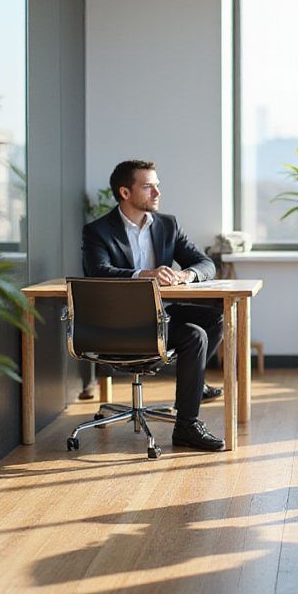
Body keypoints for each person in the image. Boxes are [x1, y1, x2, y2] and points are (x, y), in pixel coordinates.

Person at [82, 160, 225, 451]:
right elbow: (97, 270)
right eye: (148, 186)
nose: (157, 192)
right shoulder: (97, 231)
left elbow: (206, 264)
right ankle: (187, 425)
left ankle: (191, 387)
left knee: (214, 316)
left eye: (157, 185)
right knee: (194, 335)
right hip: (117, 325)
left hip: (159, 317)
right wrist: (144, 275)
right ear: (125, 191)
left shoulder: (167, 225)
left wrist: (187, 274)